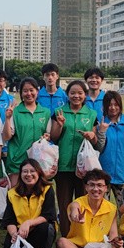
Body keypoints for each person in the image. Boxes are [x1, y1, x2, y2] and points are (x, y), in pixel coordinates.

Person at [49, 79, 97, 234]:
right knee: (64, 204)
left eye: (80, 93)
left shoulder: (92, 114)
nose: (76, 96)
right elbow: (54, 137)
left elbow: (96, 141)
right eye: (73, 93)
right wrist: (59, 125)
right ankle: (66, 237)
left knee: (84, 202)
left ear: (85, 95)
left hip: (84, 167)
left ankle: (83, 236)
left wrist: (92, 136)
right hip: (64, 166)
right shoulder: (59, 112)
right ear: (67, 94)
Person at [57, 169, 123, 248]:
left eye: (99, 185)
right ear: (86, 187)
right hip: (78, 247)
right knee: (62, 243)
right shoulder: (78, 203)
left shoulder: (111, 208)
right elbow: (74, 209)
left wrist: (116, 242)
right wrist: (76, 216)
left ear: (105, 188)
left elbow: (113, 235)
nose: (96, 189)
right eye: (92, 185)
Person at [1, 159, 57, 248]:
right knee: (8, 247)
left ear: (39, 173)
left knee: (45, 228)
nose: (28, 174)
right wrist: (14, 234)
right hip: (20, 232)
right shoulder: (12, 193)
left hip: (39, 230)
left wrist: (28, 223)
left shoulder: (47, 189)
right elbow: (9, 220)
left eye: (32, 171)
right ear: (20, 174)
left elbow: (48, 215)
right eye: (25, 171)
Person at [2, 77, 51, 186]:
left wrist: (47, 137)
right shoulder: (15, 112)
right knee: (16, 193)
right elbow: (6, 137)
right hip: (17, 161)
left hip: (38, 161)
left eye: (31, 90)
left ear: (37, 91)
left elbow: (48, 134)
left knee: (37, 194)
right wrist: (8, 119)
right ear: (21, 93)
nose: (29, 93)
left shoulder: (45, 112)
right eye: (25, 91)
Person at [96, 90, 124, 195]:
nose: (113, 108)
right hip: (104, 174)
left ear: (120, 106)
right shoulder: (100, 124)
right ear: (104, 106)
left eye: (116, 105)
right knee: (102, 205)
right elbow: (99, 149)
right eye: (109, 105)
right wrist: (101, 132)